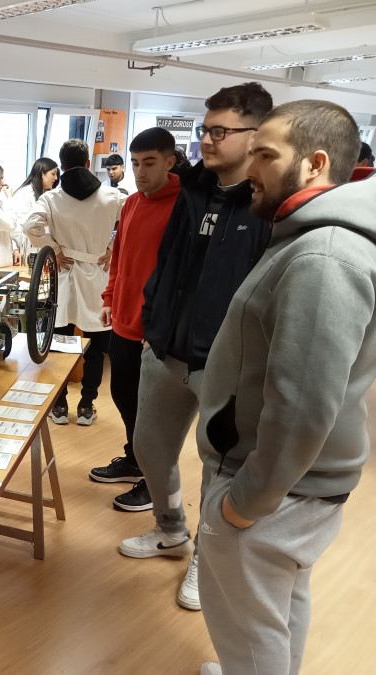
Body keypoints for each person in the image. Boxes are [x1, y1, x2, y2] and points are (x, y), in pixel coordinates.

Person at [196, 99, 373, 675]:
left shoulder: (324, 254)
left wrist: (247, 505)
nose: (251, 169)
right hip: (296, 487)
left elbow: (302, 406)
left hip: (276, 490)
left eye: (266, 155)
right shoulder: (314, 239)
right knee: (276, 608)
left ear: (315, 164)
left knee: (248, 627)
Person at [114, 82, 273, 613]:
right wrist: (154, 320)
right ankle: (169, 528)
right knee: (149, 447)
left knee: (217, 467)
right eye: (204, 129)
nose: (206, 139)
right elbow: (169, 259)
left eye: (220, 131)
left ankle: (207, 558)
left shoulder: (268, 202)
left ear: (256, 135)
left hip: (225, 362)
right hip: (166, 349)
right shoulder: (195, 188)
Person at [97, 127, 180, 490]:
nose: (140, 171)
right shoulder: (130, 203)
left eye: (149, 163)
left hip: (156, 330)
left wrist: (162, 327)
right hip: (123, 319)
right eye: (135, 163)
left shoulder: (184, 207)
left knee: (153, 413)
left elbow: (182, 276)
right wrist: (109, 298)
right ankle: (135, 459)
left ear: (170, 162)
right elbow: (120, 258)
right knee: (123, 396)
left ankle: (153, 481)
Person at [25, 139, 125, 424]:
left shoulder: (51, 198)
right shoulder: (113, 196)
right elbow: (131, 224)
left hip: (64, 275)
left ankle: (59, 406)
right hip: (97, 276)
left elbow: (30, 226)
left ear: (62, 165)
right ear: (88, 164)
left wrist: (54, 249)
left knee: (60, 342)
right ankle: (87, 406)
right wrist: (112, 248)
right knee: (95, 345)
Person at [5, 157, 60, 254]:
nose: (55, 178)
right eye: (53, 174)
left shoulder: (45, 194)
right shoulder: (25, 194)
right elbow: (21, 227)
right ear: (42, 174)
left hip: (40, 248)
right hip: (27, 250)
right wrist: (20, 251)